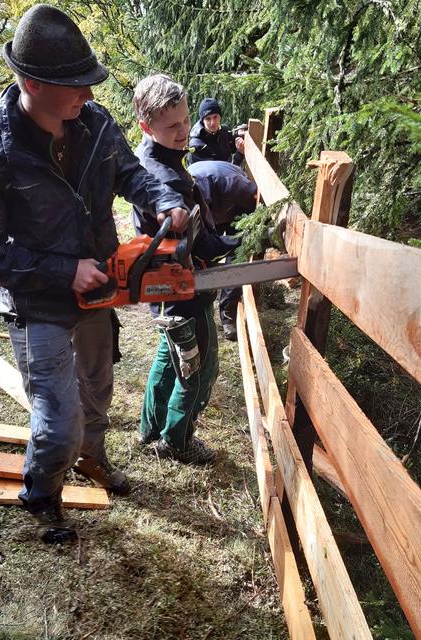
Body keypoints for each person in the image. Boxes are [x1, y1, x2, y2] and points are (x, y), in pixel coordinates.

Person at [0, 5, 188, 543]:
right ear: (33, 82)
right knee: (57, 422)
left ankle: (92, 459)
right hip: (37, 301)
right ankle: (42, 492)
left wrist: (165, 201)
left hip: (100, 284)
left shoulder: (95, 122)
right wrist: (62, 271)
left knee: (97, 392)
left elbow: (132, 174)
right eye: (75, 85)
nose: (86, 93)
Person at [132, 74, 240, 465]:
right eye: (171, 126)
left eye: (184, 120)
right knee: (199, 367)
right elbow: (185, 236)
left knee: (169, 355)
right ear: (146, 127)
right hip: (181, 290)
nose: (183, 132)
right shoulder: (160, 177)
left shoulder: (161, 157)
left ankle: (150, 426)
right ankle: (175, 441)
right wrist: (219, 245)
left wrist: (223, 241)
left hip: (169, 294)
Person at [188, 160, 257, 341]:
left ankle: (227, 313)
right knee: (206, 250)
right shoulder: (188, 191)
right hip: (211, 211)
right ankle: (206, 297)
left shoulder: (237, 186)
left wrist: (248, 234)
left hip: (237, 208)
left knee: (237, 256)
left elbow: (256, 198)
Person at [187, 97, 245, 166]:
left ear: (220, 117)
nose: (213, 123)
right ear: (203, 121)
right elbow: (218, 174)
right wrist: (239, 155)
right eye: (208, 119)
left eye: (215, 117)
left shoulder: (223, 131)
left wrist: (238, 135)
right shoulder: (197, 145)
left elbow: (229, 146)